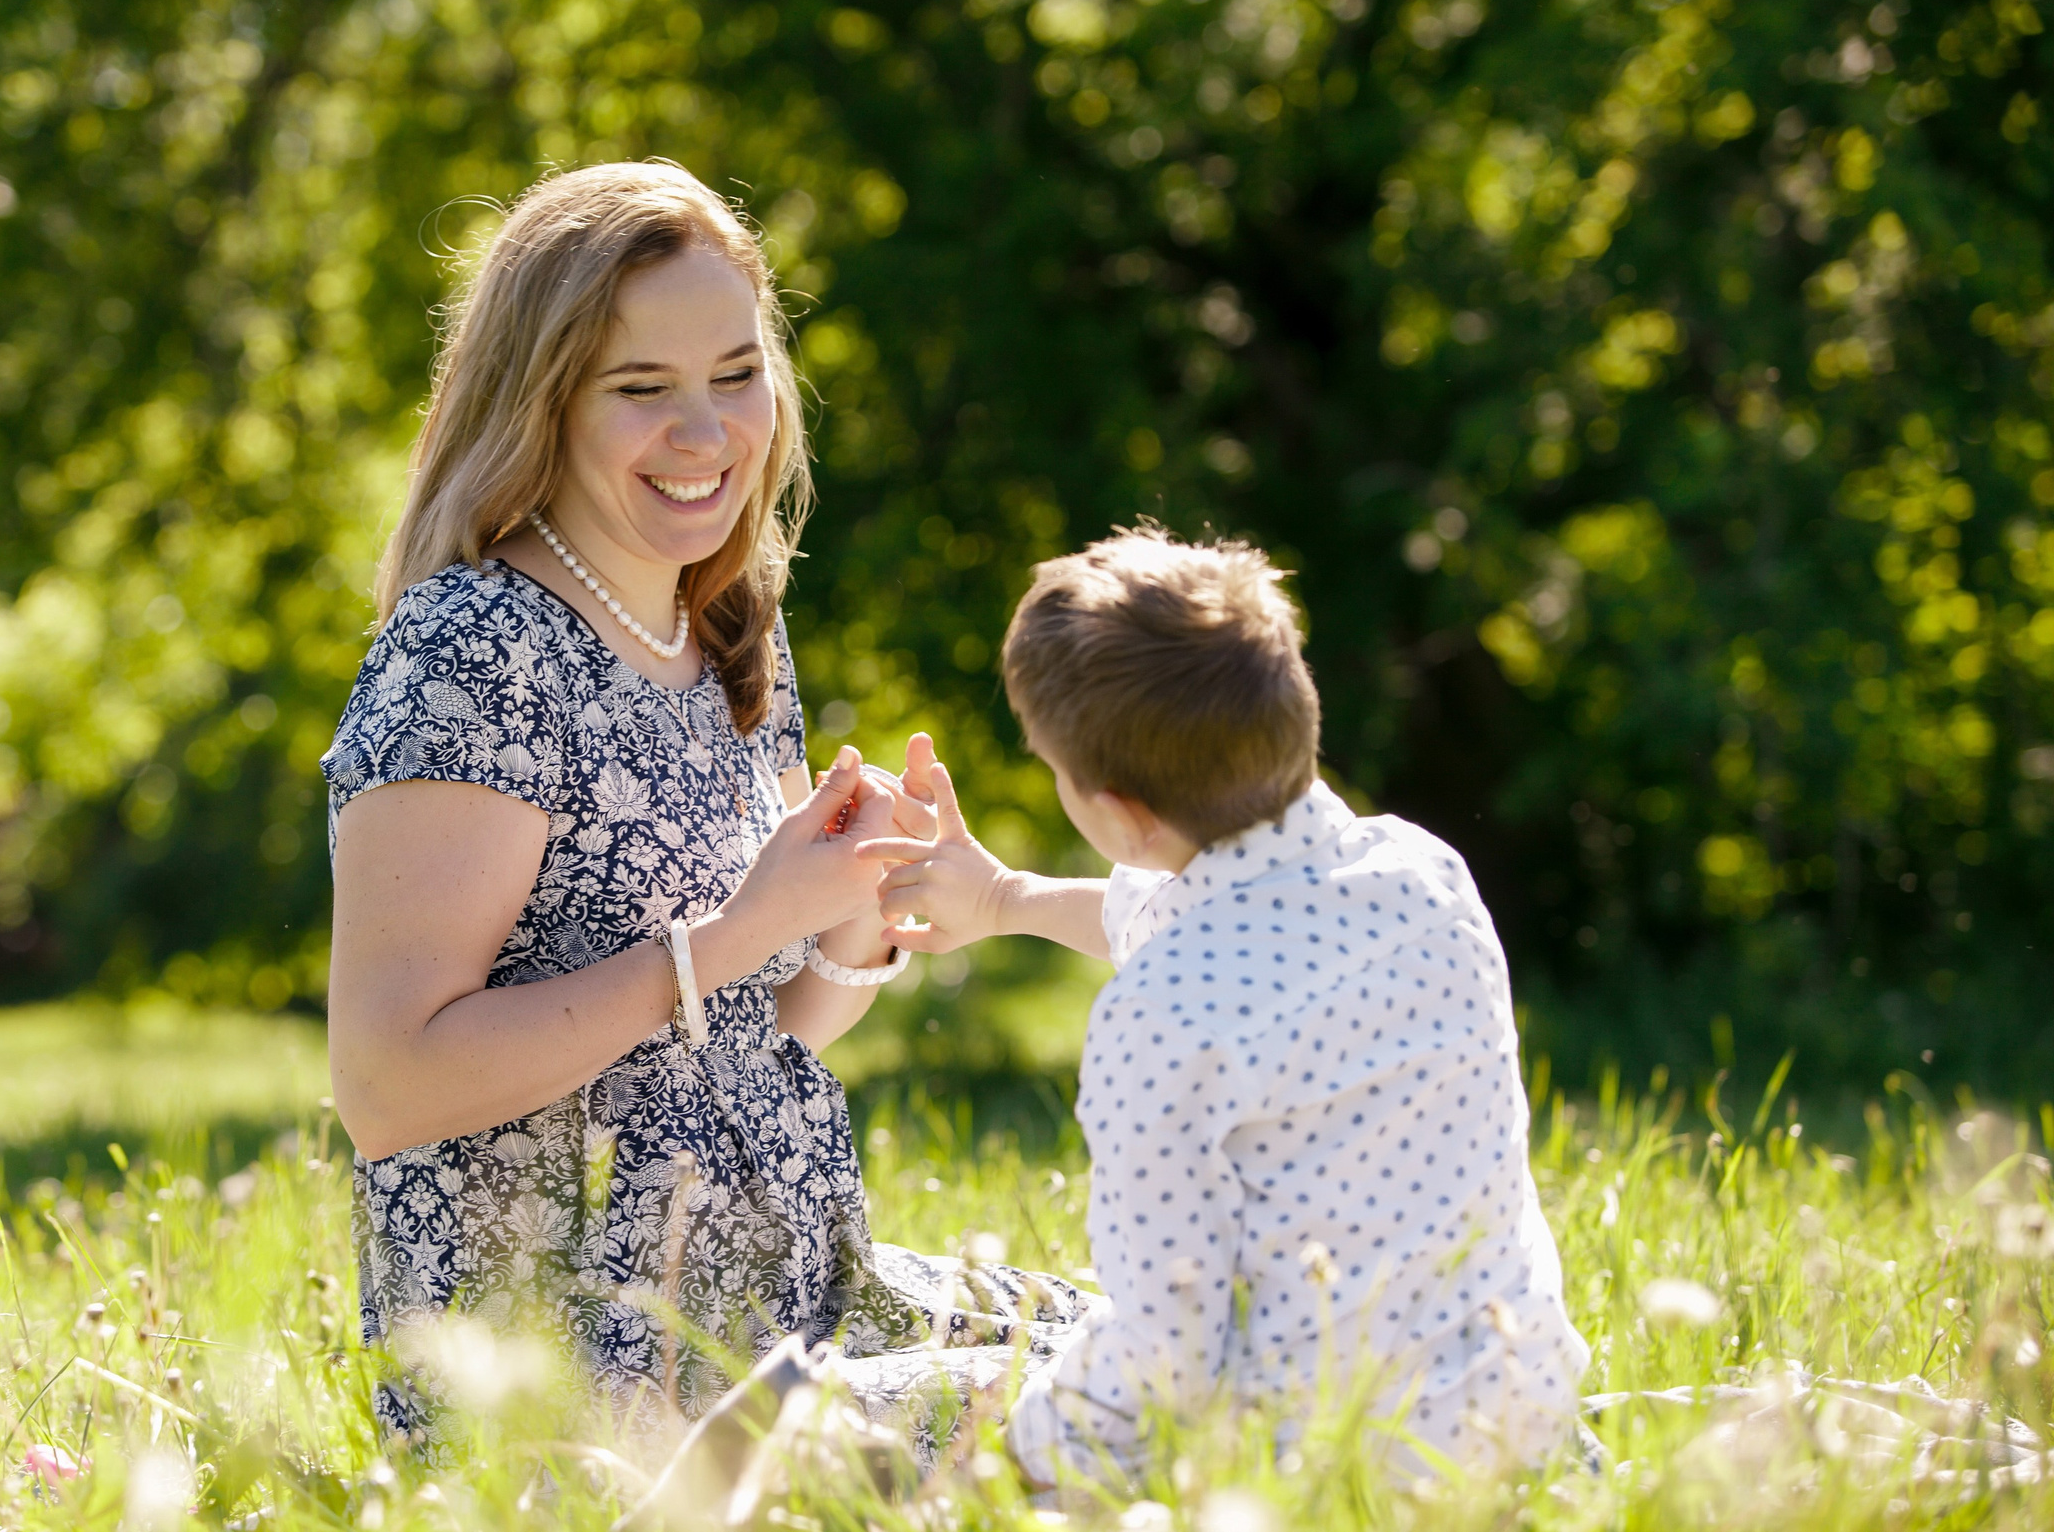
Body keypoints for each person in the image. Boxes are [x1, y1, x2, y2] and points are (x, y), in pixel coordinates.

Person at [319, 160, 1086, 1446]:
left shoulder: (725, 624)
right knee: (1121, 1399)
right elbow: (388, 1084)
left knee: (1179, 1332)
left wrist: (852, 913)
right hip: (576, 1373)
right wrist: (738, 927)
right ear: (541, 402)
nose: (708, 432)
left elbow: (751, 1036)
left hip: (792, 1297)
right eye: (641, 388)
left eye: (737, 375)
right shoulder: (474, 650)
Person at [858, 528, 1588, 1484]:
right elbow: (1207, 917)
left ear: (1119, 812)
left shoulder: (1158, 1015)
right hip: (1522, 1421)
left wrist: (1006, 1466)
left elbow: (1165, 1354)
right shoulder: (1424, 873)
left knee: (829, 1410)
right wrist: (1002, 899)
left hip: (1316, 1470)